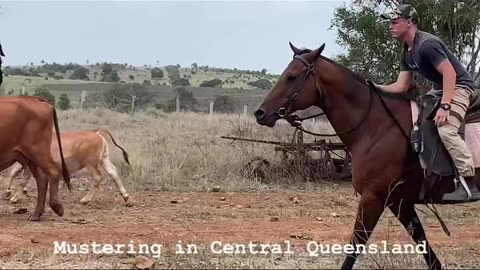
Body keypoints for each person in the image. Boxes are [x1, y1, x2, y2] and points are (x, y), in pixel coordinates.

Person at [376, 4, 480, 202]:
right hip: (439, 88)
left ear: (409, 23)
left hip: (459, 86)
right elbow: (401, 85)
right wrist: (374, 87)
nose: (391, 26)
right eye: (390, 22)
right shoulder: (407, 50)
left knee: (446, 129)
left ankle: (469, 183)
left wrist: (445, 106)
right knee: (417, 125)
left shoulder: (426, 45)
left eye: (395, 22)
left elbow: (449, 73)